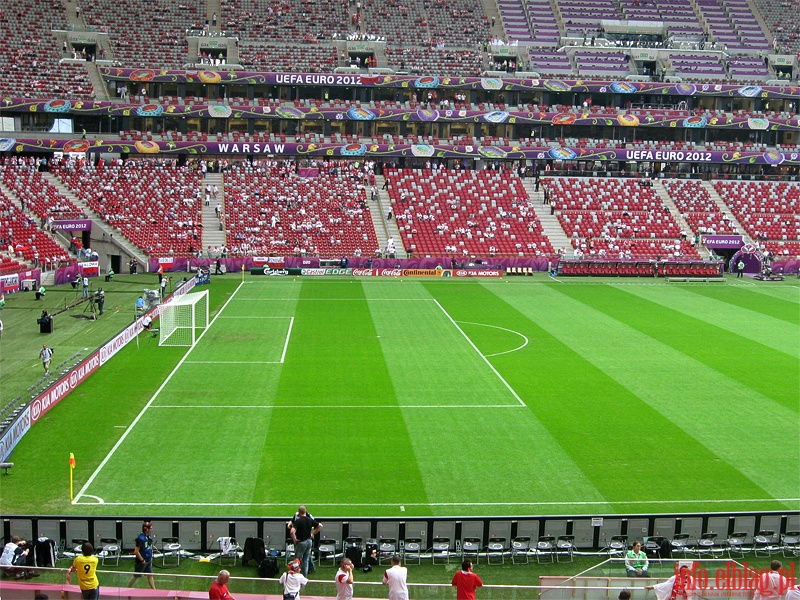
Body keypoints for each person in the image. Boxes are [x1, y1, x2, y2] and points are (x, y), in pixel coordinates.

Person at [290, 505, 322, 577]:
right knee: (306, 560)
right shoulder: (309, 519)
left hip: (301, 542)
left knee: (297, 559)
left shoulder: (298, 521)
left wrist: (294, 539)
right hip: (309, 541)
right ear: (305, 511)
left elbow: (292, 531)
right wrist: (312, 534)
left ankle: (295, 576)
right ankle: (304, 577)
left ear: (299, 512)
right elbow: (320, 526)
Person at [127, 521, 156, 589]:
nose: (151, 529)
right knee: (136, 576)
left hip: (148, 559)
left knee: (150, 575)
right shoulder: (140, 539)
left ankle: (154, 590)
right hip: (141, 561)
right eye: (150, 528)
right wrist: (142, 560)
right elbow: (136, 551)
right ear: (146, 529)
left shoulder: (147, 536)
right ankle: (127, 588)